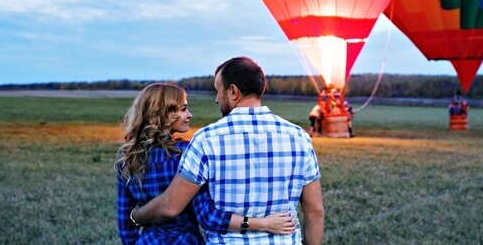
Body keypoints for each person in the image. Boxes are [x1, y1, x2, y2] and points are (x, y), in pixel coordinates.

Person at [130, 57, 325, 244]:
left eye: (218, 90)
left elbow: (171, 205)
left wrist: (136, 215)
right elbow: (314, 210)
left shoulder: (206, 139)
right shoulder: (299, 137)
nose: (216, 99)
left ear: (233, 92)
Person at [115, 83, 296, 244]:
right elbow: (207, 216)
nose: (189, 114)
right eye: (183, 109)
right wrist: (263, 223)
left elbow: (125, 222)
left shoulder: (127, 159)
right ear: (164, 113)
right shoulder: (185, 153)